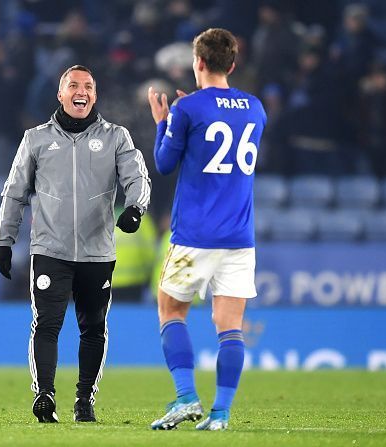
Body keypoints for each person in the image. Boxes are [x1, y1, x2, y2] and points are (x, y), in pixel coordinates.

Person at [0, 65, 151, 423]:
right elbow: (14, 192)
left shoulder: (116, 137)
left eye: (89, 86)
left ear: (94, 96)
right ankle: (44, 396)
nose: (81, 91)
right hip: (50, 250)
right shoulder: (35, 139)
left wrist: (135, 208)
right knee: (47, 323)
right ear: (61, 95)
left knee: (93, 326)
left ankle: (84, 400)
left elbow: (137, 177)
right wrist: (5, 239)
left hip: (97, 252)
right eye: (73, 85)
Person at [147, 28, 266, 431]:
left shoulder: (188, 109)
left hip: (195, 234)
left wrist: (164, 123)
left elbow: (164, 164)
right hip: (239, 237)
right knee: (229, 325)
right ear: (232, 65)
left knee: (170, 310)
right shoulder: (255, 107)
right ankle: (221, 414)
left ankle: (185, 397)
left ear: (197, 62)